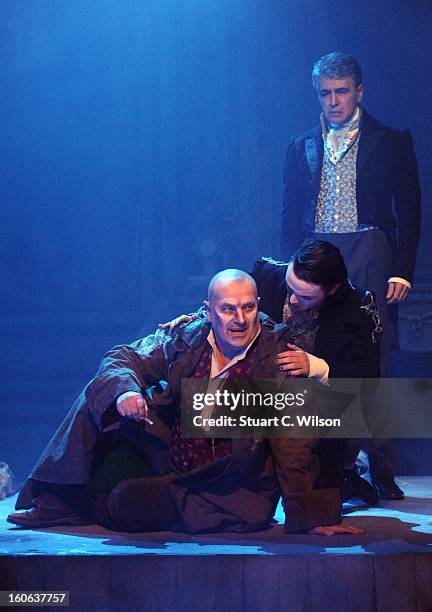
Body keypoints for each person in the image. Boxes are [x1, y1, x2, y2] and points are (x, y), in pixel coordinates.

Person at [8, 270, 360, 536]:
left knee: (126, 500)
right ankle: (58, 499)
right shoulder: (188, 337)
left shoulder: (276, 358)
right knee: (101, 390)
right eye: (227, 309)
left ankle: (94, 505)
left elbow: (292, 443)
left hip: (225, 483)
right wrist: (127, 392)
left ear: (258, 307)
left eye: (247, 308)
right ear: (209, 311)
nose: (239, 319)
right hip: (170, 453)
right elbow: (122, 358)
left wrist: (306, 513)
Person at [280, 52, 421, 500]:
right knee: (312, 350)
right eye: (326, 93)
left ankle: (380, 467)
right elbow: (288, 213)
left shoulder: (391, 140)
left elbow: (410, 209)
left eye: (342, 91)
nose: (334, 101)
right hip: (317, 249)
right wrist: (290, 270)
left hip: (370, 247)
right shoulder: (301, 144)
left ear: (360, 91)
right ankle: (326, 465)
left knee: (374, 356)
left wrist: (402, 269)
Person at [161, 241, 382, 505]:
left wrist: (317, 366)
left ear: (332, 290)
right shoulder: (267, 274)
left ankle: (349, 471)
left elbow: (367, 375)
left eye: (306, 297)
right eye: (290, 289)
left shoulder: (357, 308)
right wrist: (198, 320)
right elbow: (230, 302)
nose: (293, 300)